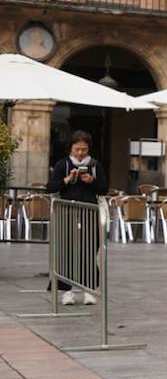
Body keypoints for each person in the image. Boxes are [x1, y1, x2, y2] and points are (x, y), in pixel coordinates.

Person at [45, 130, 107, 305]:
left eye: (84, 149)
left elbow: (104, 188)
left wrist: (91, 181)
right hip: (67, 212)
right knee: (66, 250)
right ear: (70, 148)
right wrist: (67, 179)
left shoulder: (95, 165)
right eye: (77, 149)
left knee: (89, 249)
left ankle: (89, 289)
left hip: (89, 212)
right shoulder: (62, 164)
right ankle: (66, 290)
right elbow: (50, 187)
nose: (80, 153)